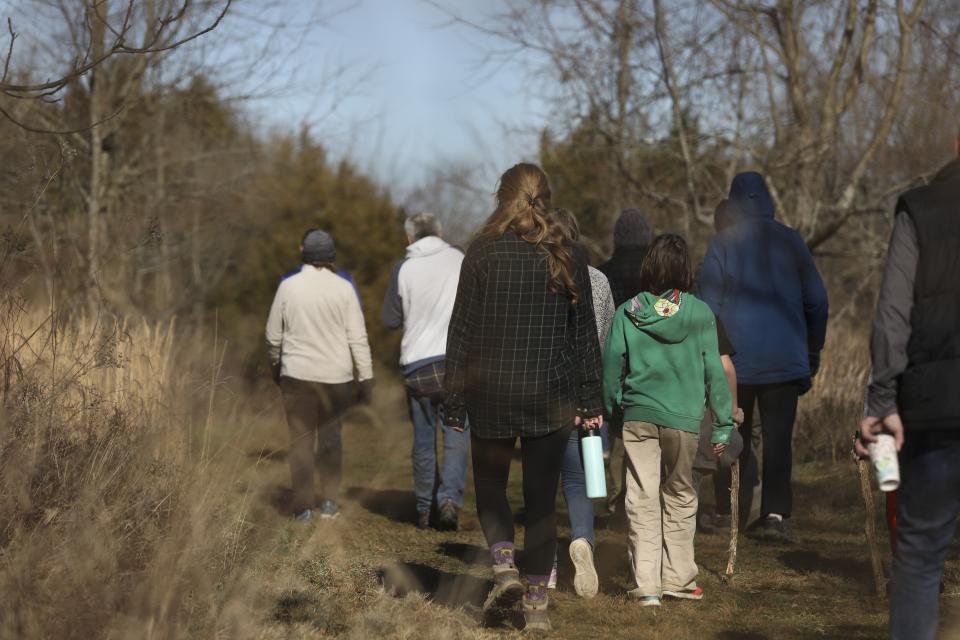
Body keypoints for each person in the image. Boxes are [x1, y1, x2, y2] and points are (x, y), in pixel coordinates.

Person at [443, 164, 604, 632]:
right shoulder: (567, 255)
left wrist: (453, 400)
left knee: (491, 486)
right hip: (549, 397)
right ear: (546, 199)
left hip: (490, 392)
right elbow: (584, 340)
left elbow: (461, 332)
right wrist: (590, 402)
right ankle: (536, 602)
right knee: (539, 501)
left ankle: (503, 566)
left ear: (501, 197)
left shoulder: (481, 253)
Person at [856, 129, 960, 640]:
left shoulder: (919, 209)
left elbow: (892, 314)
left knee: (918, 559)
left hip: (935, 407)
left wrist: (881, 399)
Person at [602, 233, 733, 607]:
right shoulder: (701, 314)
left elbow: (611, 368)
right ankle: (678, 578)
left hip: (638, 415)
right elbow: (715, 372)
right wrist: (722, 422)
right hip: (685, 420)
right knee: (680, 494)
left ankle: (646, 585)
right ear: (685, 270)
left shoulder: (627, 312)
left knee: (641, 497)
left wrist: (613, 408)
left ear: (648, 267)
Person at [699, 173, 829, 542]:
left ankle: (729, 511)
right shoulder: (792, 242)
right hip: (785, 359)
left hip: (735, 361)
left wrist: (712, 354)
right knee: (778, 439)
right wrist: (812, 349)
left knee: (728, 432)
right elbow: (817, 301)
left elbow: (709, 306)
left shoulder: (722, 244)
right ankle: (774, 515)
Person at [265, 229, 374, 521]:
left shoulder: (288, 287)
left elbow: (273, 336)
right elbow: (358, 338)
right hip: (336, 378)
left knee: (300, 441)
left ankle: (302, 507)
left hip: (297, 375)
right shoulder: (344, 288)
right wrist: (366, 377)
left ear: (303, 253)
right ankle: (329, 502)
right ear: (331, 256)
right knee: (331, 439)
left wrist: (276, 366)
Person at [545, 208, 616, 599]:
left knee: (543, 484)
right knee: (580, 481)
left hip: (545, 395)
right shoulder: (598, 280)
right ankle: (583, 540)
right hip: (586, 394)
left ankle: (549, 567)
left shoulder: (540, 273)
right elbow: (603, 337)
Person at [381, 212, 468, 531]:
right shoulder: (458, 259)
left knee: (423, 436)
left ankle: (423, 507)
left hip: (418, 365)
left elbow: (390, 319)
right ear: (441, 231)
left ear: (409, 238)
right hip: (455, 363)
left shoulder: (403, 268)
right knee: (456, 432)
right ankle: (449, 502)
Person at [598, 208, 654, 518]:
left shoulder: (605, 272)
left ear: (617, 238)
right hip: (652, 361)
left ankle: (617, 500)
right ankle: (643, 499)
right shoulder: (656, 272)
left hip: (616, 359)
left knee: (619, 434)